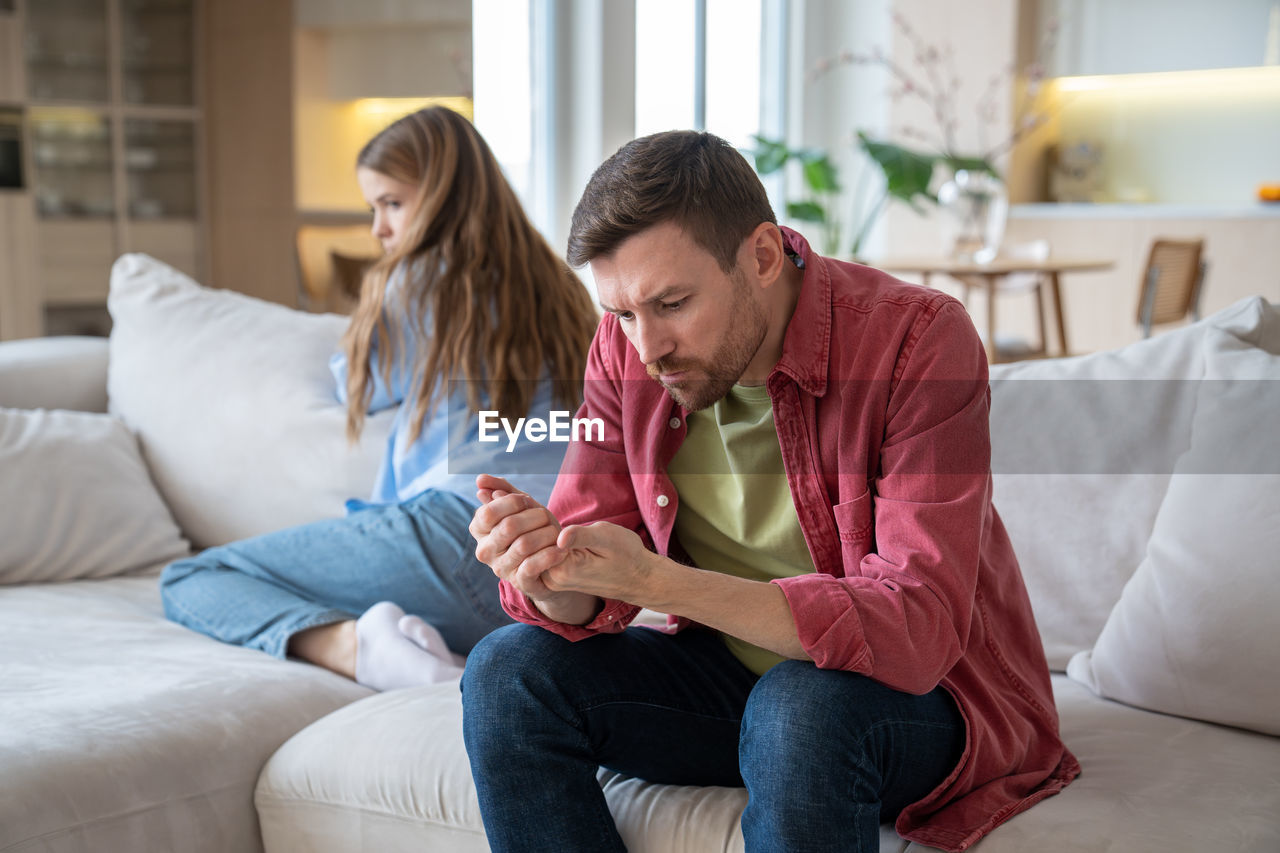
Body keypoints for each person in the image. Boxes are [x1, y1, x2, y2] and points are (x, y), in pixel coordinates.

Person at [462, 130, 1079, 852]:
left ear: (760, 256)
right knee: (508, 671)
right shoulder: (624, 350)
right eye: (623, 313)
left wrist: (663, 581)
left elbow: (917, 628)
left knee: (801, 709)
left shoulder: (917, 340)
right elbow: (590, 576)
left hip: (927, 701)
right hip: (738, 684)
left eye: (673, 302)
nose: (646, 347)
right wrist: (545, 570)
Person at [160, 106, 598, 692]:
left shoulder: (415, 278)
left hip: (458, 532)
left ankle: (354, 647)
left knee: (195, 576)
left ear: (443, 196)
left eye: (392, 203)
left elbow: (359, 386)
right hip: (557, 573)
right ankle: (413, 644)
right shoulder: (559, 287)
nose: (379, 228)